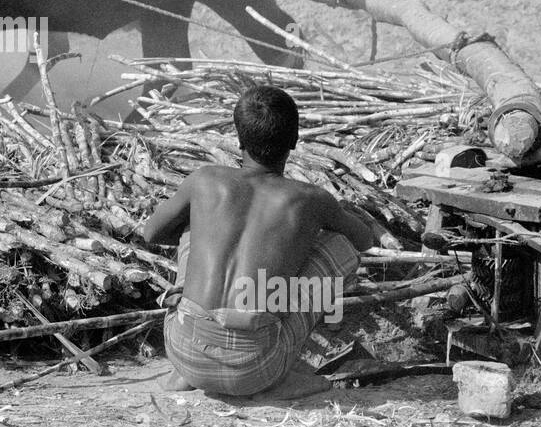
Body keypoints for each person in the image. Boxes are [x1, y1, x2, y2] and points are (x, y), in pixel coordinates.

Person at [140, 85, 381, 400]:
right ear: (294, 141)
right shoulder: (310, 199)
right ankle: (279, 379)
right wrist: (311, 231)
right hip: (255, 370)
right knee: (341, 248)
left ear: (239, 139)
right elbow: (361, 241)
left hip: (182, 351)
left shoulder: (204, 180)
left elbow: (151, 234)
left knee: (190, 229)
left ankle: (194, 369)